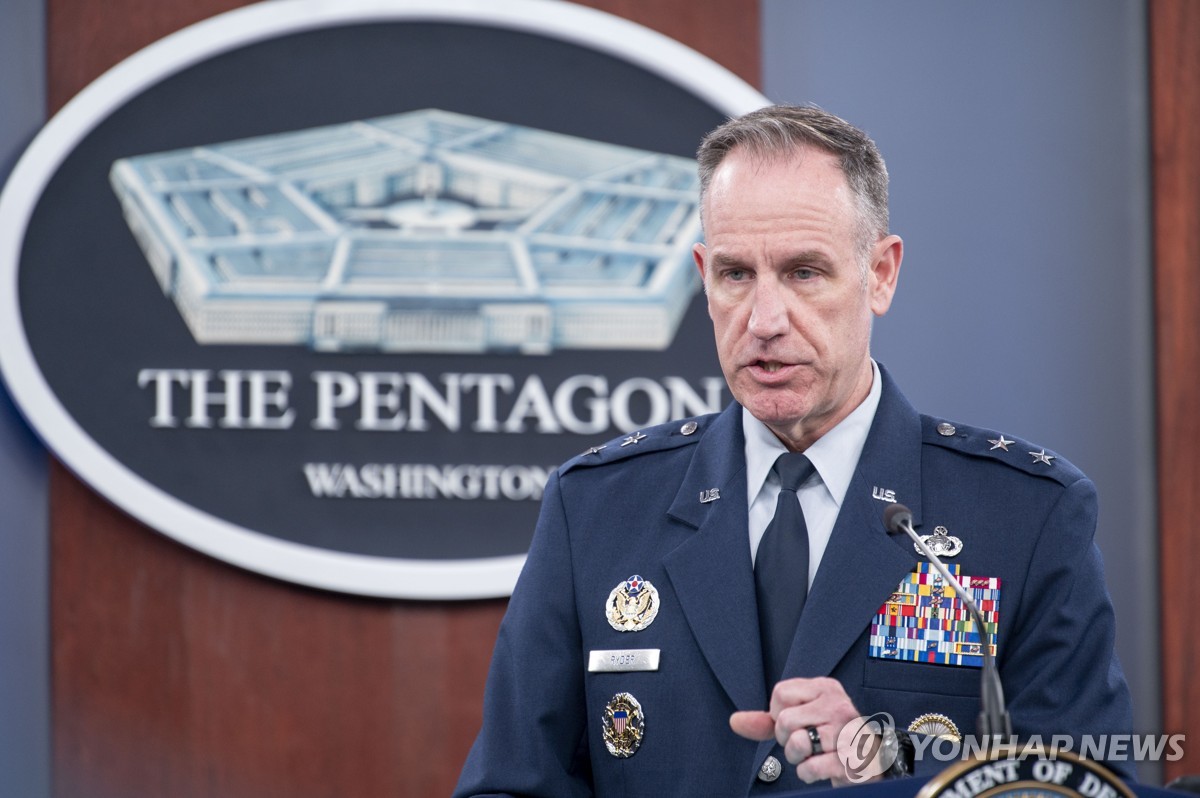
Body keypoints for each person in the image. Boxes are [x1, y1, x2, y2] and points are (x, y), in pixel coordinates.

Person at [454, 104, 1133, 796]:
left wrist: (897, 768)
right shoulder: (597, 508)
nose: (766, 321)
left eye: (805, 272)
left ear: (881, 274)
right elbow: (510, 783)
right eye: (736, 274)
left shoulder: (1023, 518)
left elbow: (1084, 786)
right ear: (703, 277)